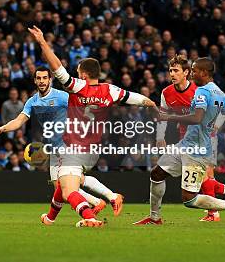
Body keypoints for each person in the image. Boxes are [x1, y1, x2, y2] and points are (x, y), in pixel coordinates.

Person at [28, 26, 157, 227]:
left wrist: (42, 42)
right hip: (94, 151)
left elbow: (56, 68)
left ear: (85, 75)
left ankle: (90, 218)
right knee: (65, 184)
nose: (77, 76)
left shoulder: (79, 87)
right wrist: (153, 105)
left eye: (79, 73)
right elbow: (137, 99)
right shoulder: (111, 90)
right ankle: (51, 218)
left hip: (73, 148)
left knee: (69, 190)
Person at [134, 58, 225, 226]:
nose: (173, 74)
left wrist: (170, 117)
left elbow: (197, 118)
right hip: (184, 143)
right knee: (157, 174)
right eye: (171, 71)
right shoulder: (217, 92)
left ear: (194, 73)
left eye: (193, 71)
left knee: (191, 197)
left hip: (199, 148)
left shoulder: (201, 92)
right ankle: (155, 218)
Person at [0, 66, 109, 225]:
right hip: (54, 148)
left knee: (67, 187)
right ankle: (96, 202)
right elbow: (19, 120)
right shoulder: (32, 101)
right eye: (38, 78)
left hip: (69, 146)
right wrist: (3, 128)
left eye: (44, 78)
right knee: (61, 187)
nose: (41, 81)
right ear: (35, 81)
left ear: (50, 80)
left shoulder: (61, 96)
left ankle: (91, 215)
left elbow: (81, 106)